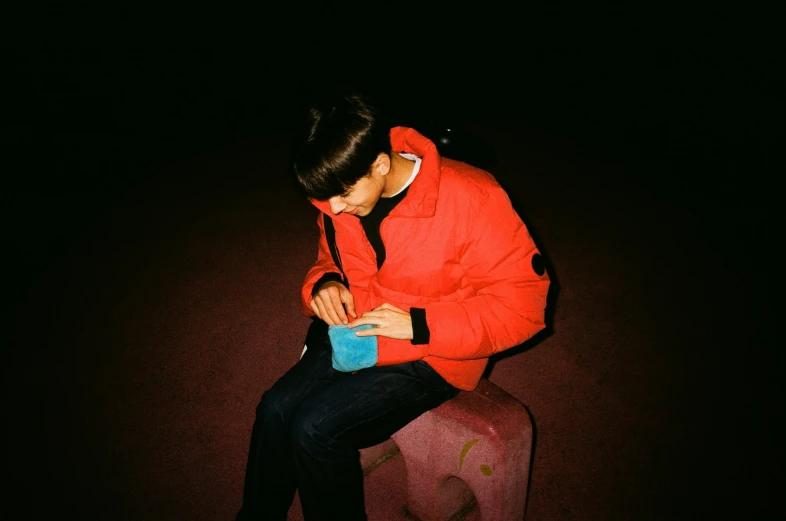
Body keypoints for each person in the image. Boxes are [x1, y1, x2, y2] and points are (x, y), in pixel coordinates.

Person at [235, 88, 551, 521]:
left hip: (434, 352)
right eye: (323, 200)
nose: (334, 208)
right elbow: (330, 258)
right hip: (361, 328)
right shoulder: (338, 193)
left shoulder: (474, 196)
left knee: (316, 426)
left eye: (342, 195)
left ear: (381, 163)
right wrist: (324, 283)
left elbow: (525, 307)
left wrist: (419, 325)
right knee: (275, 407)